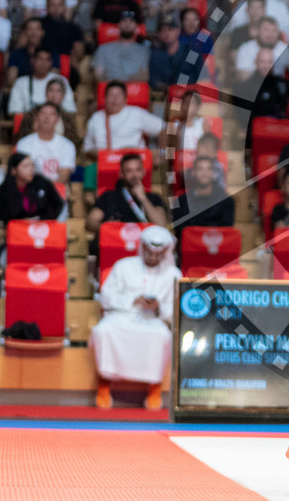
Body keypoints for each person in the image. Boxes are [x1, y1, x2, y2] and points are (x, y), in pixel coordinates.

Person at [90, 225, 180, 409]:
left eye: (158, 254)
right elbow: (106, 297)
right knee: (103, 330)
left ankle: (155, 388)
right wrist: (133, 300)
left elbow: (176, 307)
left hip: (154, 321)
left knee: (162, 336)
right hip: (121, 316)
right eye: (149, 253)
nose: (153, 258)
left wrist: (158, 308)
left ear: (165, 252)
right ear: (142, 248)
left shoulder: (173, 274)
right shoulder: (124, 265)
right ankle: (104, 384)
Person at [83, 81, 164, 161]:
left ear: (125, 99)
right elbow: (88, 149)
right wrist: (103, 155)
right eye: (111, 95)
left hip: (135, 163)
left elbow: (165, 128)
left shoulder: (136, 113)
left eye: (118, 95)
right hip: (107, 163)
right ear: (105, 98)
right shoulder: (96, 118)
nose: (114, 99)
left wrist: (162, 152)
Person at [86, 153, 167, 233]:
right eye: (129, 171)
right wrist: (109, 228)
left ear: (143, 172)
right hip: (115, 242)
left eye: (138, 170)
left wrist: (143, 198)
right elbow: (90, 223)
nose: (134, 175)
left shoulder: (155, 198)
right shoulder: (108, 196)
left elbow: (161, 224)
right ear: (121, 174)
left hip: (142, 243)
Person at [0, 152, 65, 224]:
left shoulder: (42, 182)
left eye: (32, 165)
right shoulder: (3, 191)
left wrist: (45, 220)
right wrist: (22, 222)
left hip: (43, 227)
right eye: (25, 166)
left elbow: (58, 203)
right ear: (14, 170)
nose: (31, 169)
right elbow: (2, 217)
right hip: (17, 231)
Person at [15, 102, 76, 185]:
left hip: (55, 191)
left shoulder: (67, 145)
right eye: (43, 113)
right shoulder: (23, 143)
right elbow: (22, 173)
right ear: (37, 118)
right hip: (30, 188)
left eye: (52, 114)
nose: (47, 117)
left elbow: (64, 176)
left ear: (58, 119)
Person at [171, 156, 235, 235]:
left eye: (209, 169)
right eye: (200, 169)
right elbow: (179, 229)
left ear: (213, 173)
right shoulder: (182, 201)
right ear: (193, 172)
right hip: (190, 244)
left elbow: (226, 229)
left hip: (216, 245)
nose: (205, 173)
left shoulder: (226, 201)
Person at [234, 16, 289, 82]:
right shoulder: (246, 49)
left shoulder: (282, 48)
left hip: (276, 91)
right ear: (258, 31)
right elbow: (242, 77)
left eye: (274, 31)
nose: (270, 34)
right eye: (266, 30)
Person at [8, 48, 76, 115]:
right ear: (32, 60)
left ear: (51, 63)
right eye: (40, 59)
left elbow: (70, 110)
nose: (43, 63)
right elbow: (15, 111)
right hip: (29, 123)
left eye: (47, 60)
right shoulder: (21, 83)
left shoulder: (61, 80)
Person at [15, 80, 81, 147]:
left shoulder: (67, 118)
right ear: (46, 93)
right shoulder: (34, 113)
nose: (54, 95)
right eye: (51, 90)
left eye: (58, 91)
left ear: (63, 96)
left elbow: (73, 141)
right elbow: (23, 136)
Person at [93, 11, 150, 82]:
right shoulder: (103, 48)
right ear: (118, 25)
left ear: (136, 26)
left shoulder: (144, 51)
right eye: (124, 20)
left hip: (135, 90)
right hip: (110, 89)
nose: (127, 24)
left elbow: (145, 76)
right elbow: (98, 75)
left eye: (131, 21)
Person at [40, 0, 86, 69]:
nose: (56, 8)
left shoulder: (73, 27)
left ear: (64, 7)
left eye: (59, 5)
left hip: (65, 63)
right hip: (41, 63)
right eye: (52, 5)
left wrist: (73, 59)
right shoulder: (39, 25)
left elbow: (79, 52)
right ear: (47, 7)